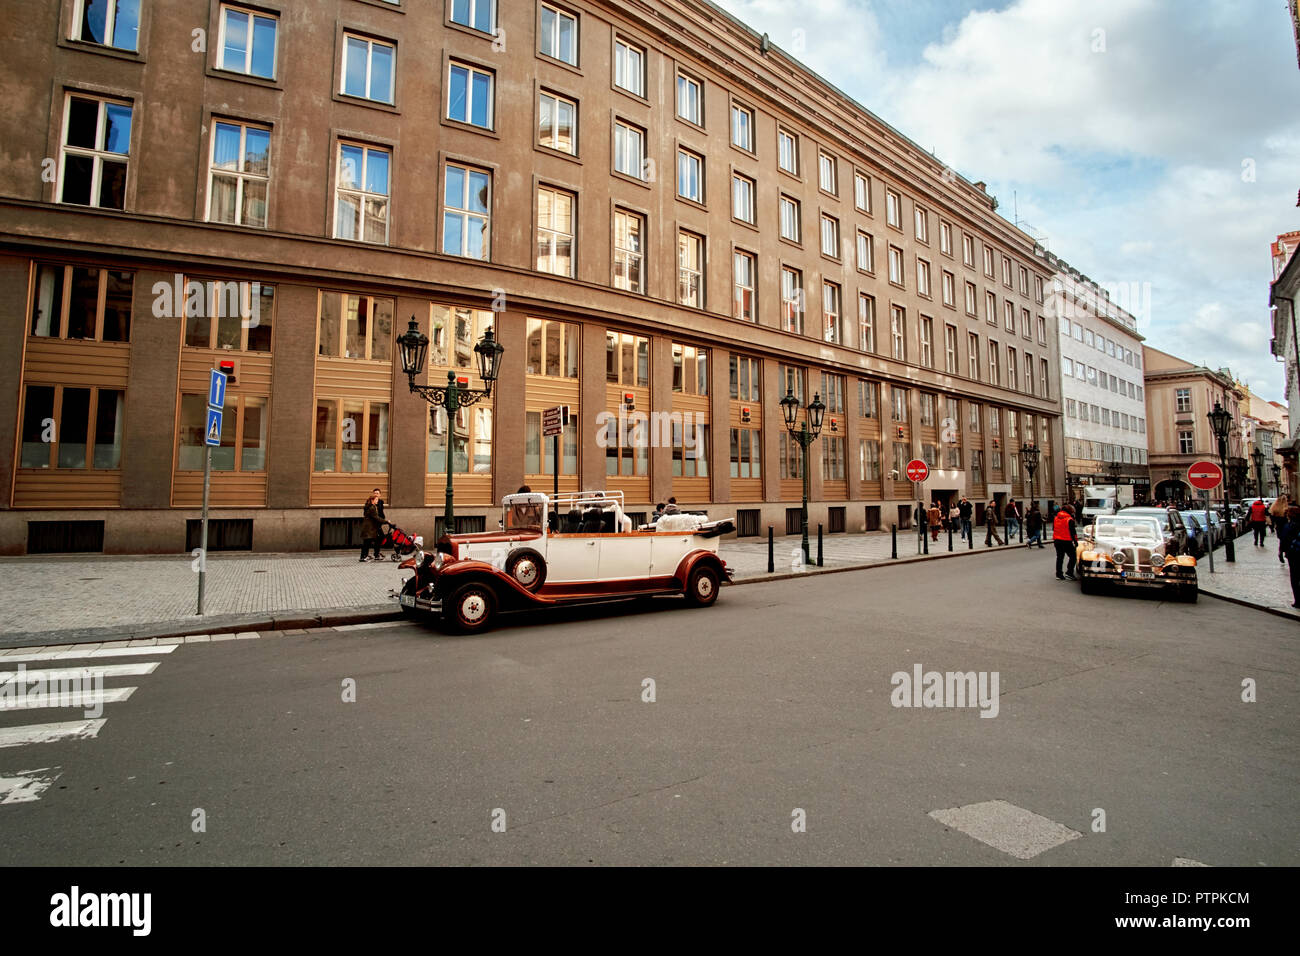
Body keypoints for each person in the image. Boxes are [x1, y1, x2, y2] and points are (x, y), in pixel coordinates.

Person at [1279, 504, 1300, 608]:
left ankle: (1298, 601)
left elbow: (1283, 540)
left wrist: (1281, 552)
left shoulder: (1288, 526)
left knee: (1295, 577)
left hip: (1293, 554)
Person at [1054, 504, 1079, 580]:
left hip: (1057, 540)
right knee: (1073, 557)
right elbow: (1072, 532)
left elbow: (1054, 528)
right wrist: (1075, 541)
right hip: (1066, 540)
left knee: (1060, 557)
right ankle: (1069, 572)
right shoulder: (1069, 519)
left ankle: (1059, 574)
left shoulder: (1056, 518)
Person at [360, 489, 383, 562]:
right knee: (368, 541)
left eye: (377, 493)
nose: (376, 494)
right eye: (375, 493)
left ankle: (373, 554)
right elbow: (375, 516)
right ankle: (365, 556)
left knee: (376, 539)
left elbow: (381, 513)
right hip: (371, 526)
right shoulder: (371, 506)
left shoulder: (379, 503)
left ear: (380, 494)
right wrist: (386, 521)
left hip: (376, 524)